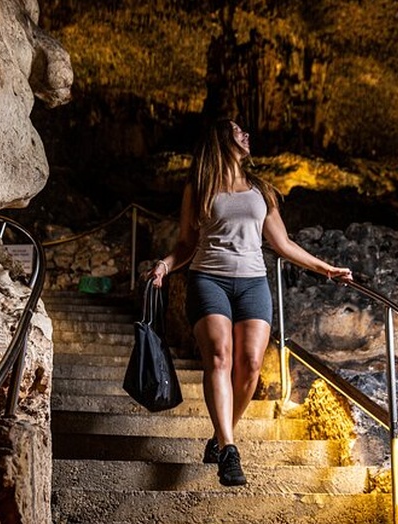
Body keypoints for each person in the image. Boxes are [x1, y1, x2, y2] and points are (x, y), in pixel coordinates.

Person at [145, 118, 353, 487]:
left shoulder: (261, 190)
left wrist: (326, 269)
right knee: (220, 357)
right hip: (209, 279)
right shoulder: (200, 187)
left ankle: (220, 435)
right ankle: (228, 448)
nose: (246, 135)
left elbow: (282, 244)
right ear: (221, 141)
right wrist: (164, 264)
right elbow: (186, 244)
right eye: (237, 131)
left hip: (254, 282)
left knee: (252, 364)